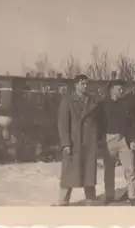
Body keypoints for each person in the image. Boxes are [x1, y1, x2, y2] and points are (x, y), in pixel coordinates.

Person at [56, 74, 102, 206]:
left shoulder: (92, 100)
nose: (85, 86)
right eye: (82, 83)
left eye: (87, 83)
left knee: (89, 174)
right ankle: (63, 201)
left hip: (89, 143)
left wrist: (96, 139)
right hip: (73, 143)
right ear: (76, 85)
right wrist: (65, 143)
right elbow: (63, 124)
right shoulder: (67, 100)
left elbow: (97, 122)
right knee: (69, 174)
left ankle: (90, 199)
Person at [99, 79, 135, 206]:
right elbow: (97, 123)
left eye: (123, 89)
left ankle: (132, 196)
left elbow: (132, 123)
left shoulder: (126, 105)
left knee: (130, 168)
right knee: (109, 170)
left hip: (124, 139)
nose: (121, 90)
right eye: (119, 88)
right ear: (111, 89)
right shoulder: (102, 105)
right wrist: (99, 140)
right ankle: (109, 195)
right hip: (108, 139)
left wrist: (133, 139)